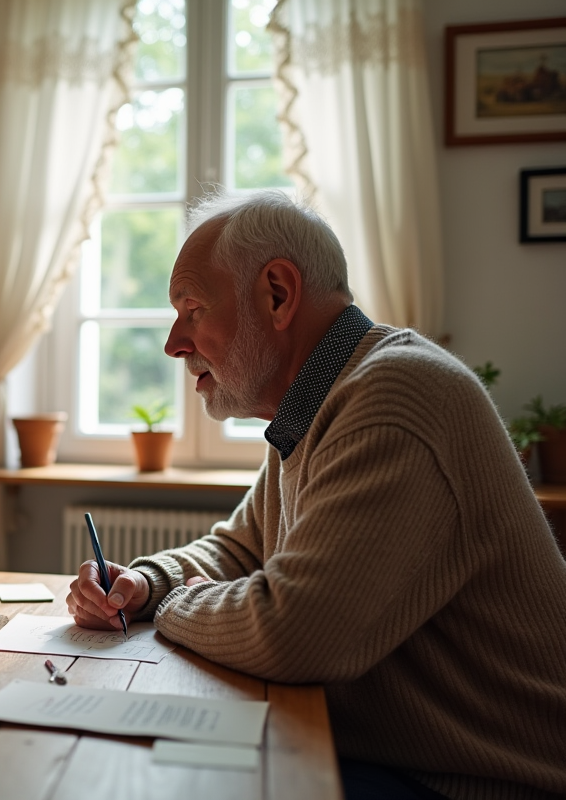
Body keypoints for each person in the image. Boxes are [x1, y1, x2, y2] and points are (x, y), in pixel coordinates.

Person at [67, 190, 566, 799]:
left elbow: (293, 632)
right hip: (394, 757)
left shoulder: (398, 399)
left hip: (480, 785)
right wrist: (146, 584)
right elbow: (242, 551)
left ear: (277, 293)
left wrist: (177, 609)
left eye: (192, 309)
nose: (174, 342)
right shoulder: (315, 406)